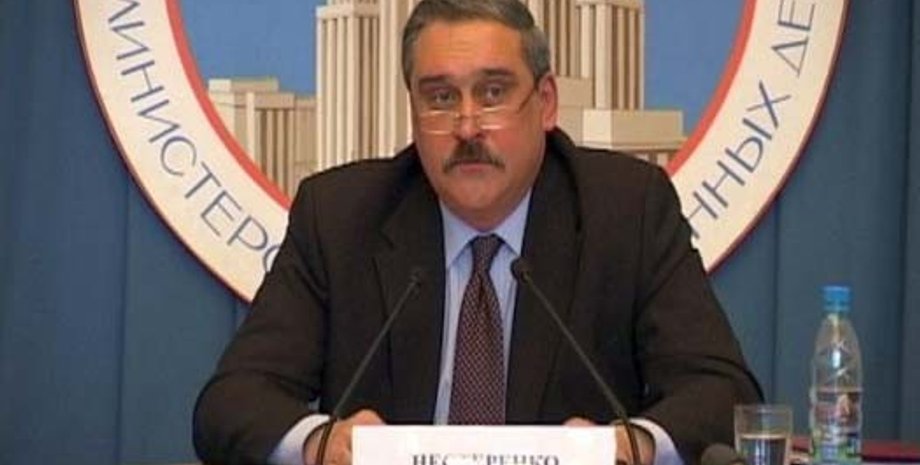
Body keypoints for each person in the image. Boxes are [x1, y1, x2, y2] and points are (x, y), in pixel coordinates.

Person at [193, 1, 762, 464]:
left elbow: (722, 394)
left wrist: (629, 447)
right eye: (441, 98)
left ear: (545, 103)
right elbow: (230, 403)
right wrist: (322, 444)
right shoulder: (341, 217)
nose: (467, 127)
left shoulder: (626, 212)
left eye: (492, 93)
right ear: (413, 110)